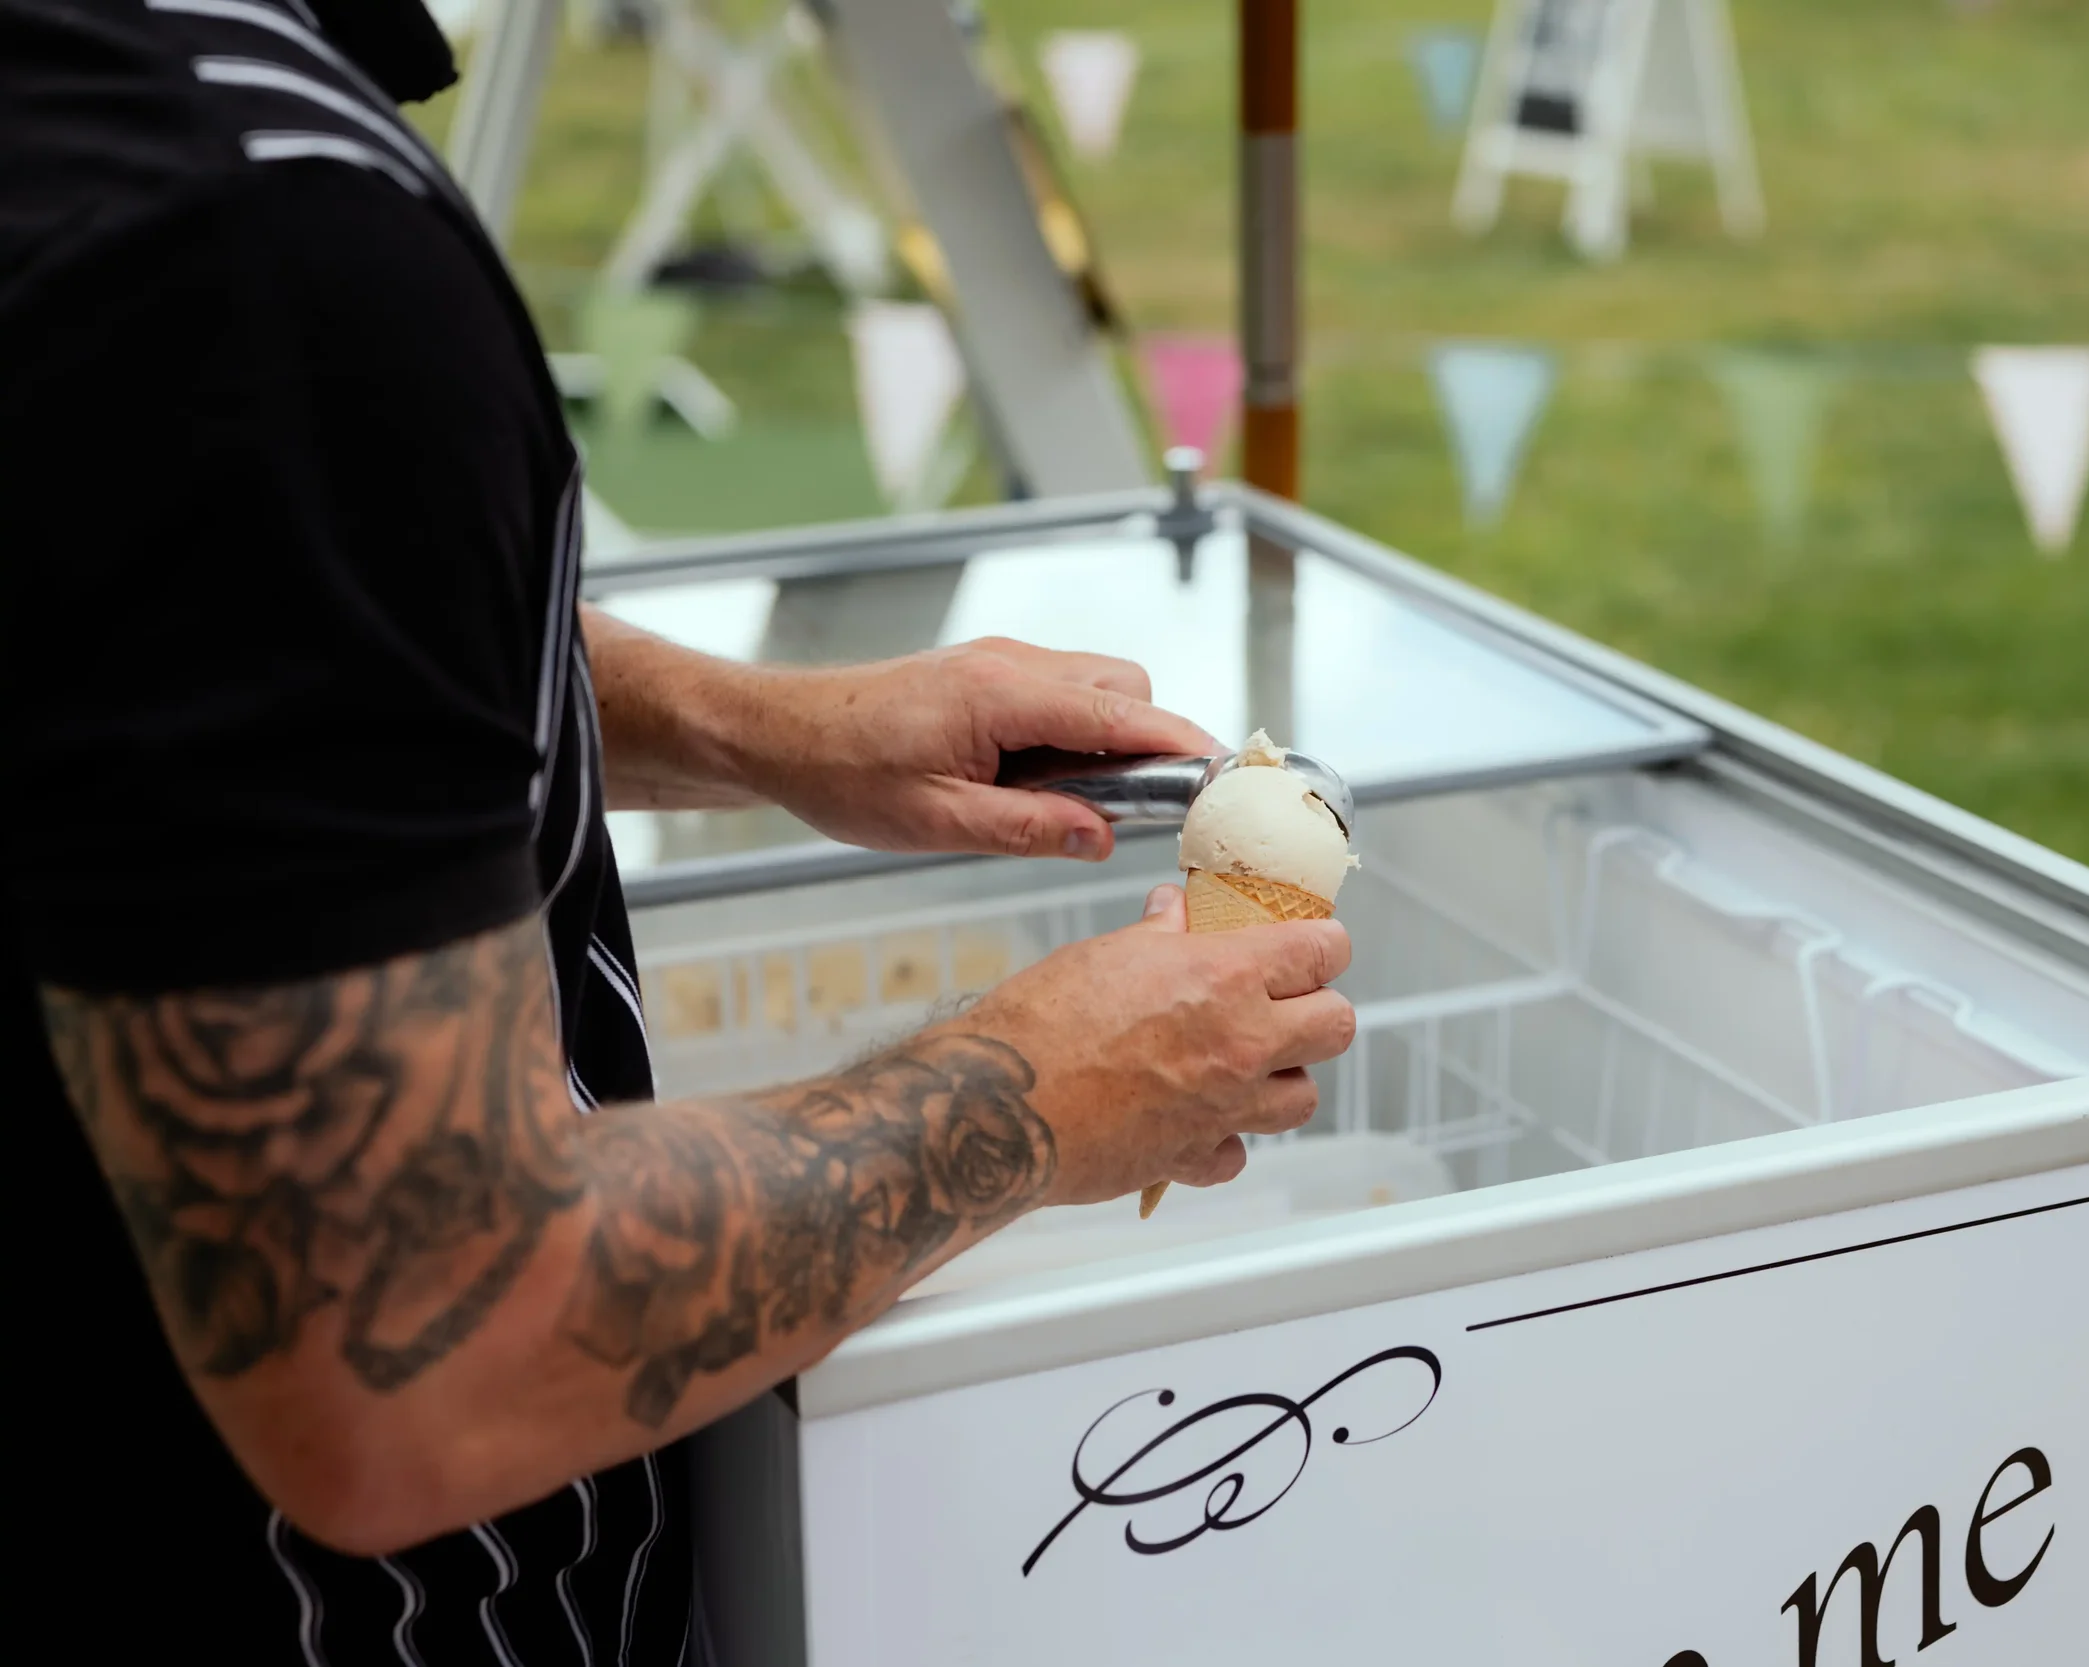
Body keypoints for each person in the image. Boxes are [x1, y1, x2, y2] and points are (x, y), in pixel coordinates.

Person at [0, 2, 1356, 1661]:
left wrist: (767, 728)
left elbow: (253, 650)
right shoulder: (254, 250)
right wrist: (1039, 1091)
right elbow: (423, 1341)